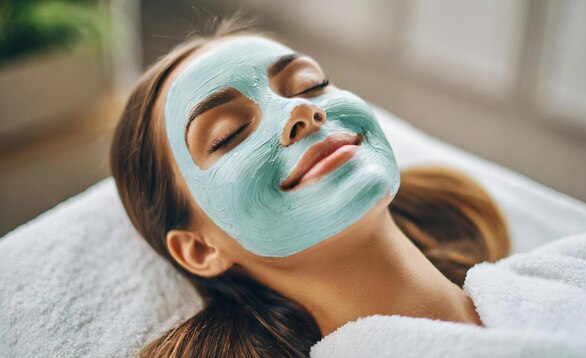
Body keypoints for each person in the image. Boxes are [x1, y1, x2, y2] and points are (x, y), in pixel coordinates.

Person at [110, 19, 509, 357]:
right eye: (228, 135)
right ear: (201, 248)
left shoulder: (564, 271)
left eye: (309, 84)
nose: (301, 110)